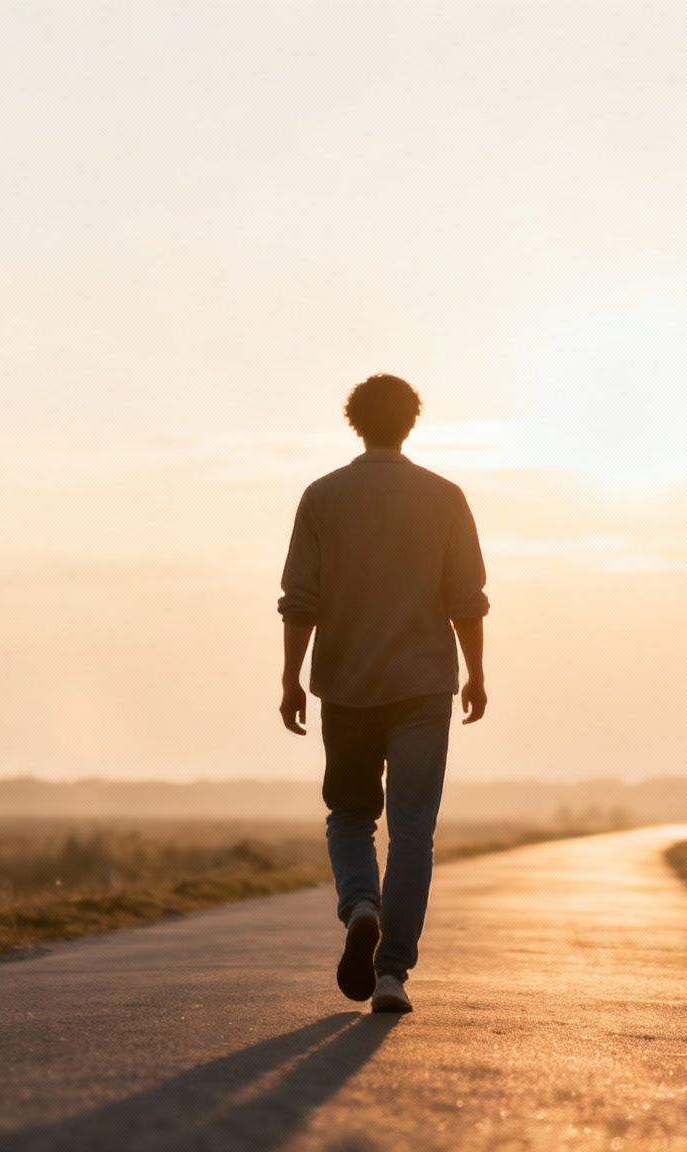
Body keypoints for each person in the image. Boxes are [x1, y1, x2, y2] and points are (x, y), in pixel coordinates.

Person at [276, 373, 489, 1014]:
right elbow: (466, 600)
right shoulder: (446, 497)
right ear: (411, 422)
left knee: (349, 815)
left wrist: (290, 677)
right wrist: (476, 672)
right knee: (414, 831)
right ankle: (393, 972)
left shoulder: (321, 497)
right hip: (424, 684)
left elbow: (300, 600)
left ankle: (360, 906)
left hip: (345, 684)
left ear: (355, 422)